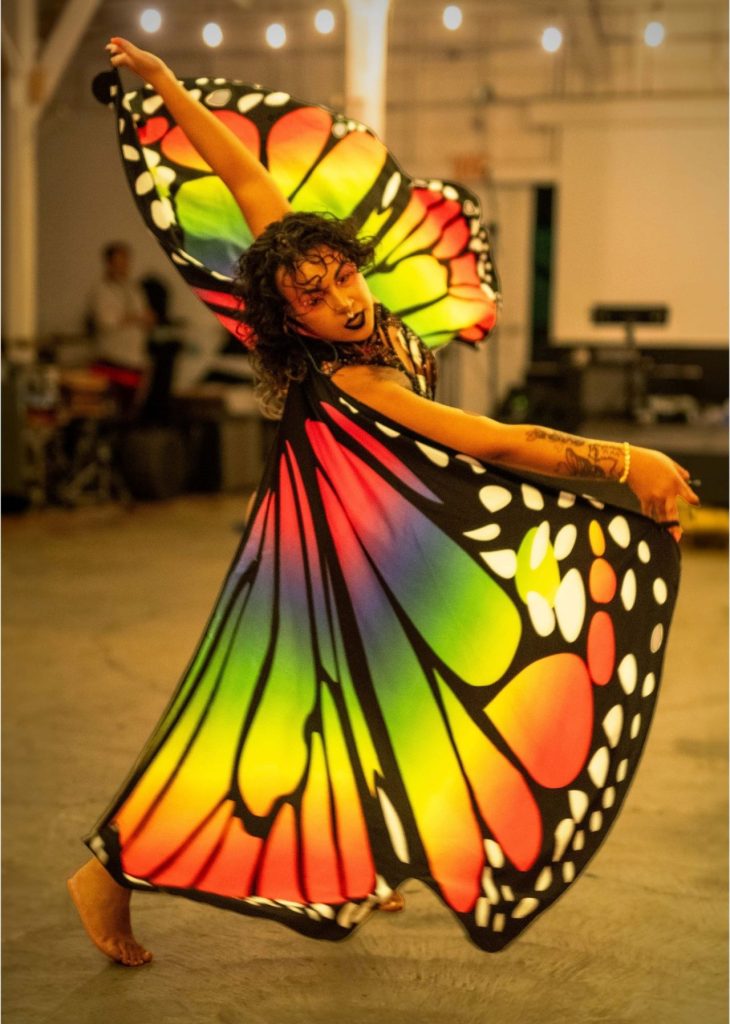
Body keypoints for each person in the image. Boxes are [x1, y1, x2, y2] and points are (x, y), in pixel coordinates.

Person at [67, 38, 699, 967]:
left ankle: (362, 857)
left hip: (382, 534)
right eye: (316, 298)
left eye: (344, 275)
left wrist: (166, 88)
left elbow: (246, 181)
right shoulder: (352, 376)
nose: (344, 299)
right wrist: (621, 458)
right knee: (257, 731)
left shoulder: (343, 302)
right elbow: (488, 440)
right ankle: (110, 873)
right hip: (318, 552)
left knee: (383, 704)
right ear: (292, 322)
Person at [87, 241, 156, 413]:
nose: (123, 266)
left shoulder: (134, 289)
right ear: (109, 263)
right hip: (112, 360)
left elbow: (143, 316)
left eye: (125, 261)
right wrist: (136, 318)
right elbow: (106, 321)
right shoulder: (101, 290)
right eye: (119, 262)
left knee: (130, 410)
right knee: (110, 409)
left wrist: (146, 319)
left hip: (134, 359)